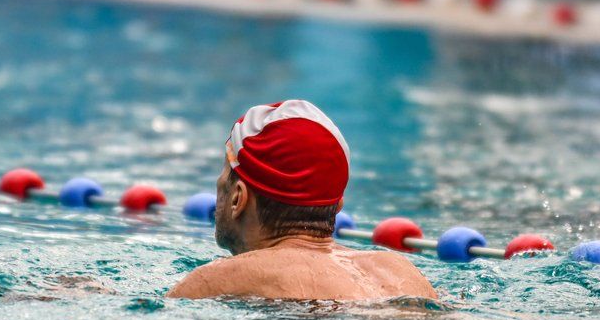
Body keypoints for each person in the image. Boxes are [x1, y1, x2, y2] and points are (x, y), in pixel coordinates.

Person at [168, 100, 437, 301]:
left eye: (224, 172)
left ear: (238, 198)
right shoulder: (401, 272)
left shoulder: (217, 280)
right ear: (337, 205)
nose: (218, 182)